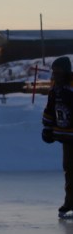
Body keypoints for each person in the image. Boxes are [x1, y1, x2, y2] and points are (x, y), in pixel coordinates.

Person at [42, 56, 73, 218]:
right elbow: (50, 109)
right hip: (66, 138)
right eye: (54, 71)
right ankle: (70, 202)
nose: (55, 74)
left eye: (58, 71)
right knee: (69, 168)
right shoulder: (55, 90)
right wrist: (47, 127)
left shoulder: (71, 89)